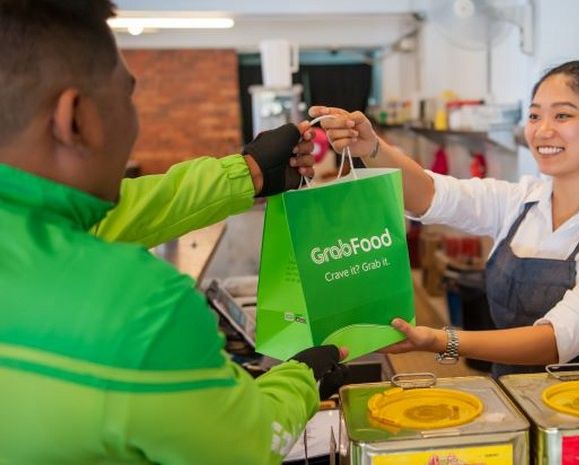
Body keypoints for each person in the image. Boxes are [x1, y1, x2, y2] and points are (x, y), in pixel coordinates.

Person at [0, 2, 345, 464]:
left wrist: (250, 172)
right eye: (127, 97)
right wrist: (301, 375)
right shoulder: (138, 309)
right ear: (75, 118)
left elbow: (120, 214)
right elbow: (243, 448)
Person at [310, 60, 579, 377]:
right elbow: (431, 195)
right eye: (535, 116)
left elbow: (555, 340)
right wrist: (371, 147)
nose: (542, 130)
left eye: (563, 116)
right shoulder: (518, 202)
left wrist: (440, 340)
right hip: (508, 398)